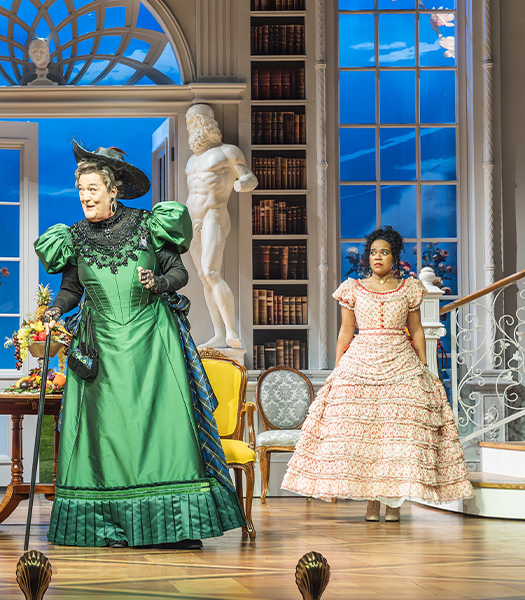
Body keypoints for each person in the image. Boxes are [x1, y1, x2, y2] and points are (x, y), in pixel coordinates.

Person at [35, 142, 246, 548]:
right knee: (107, 434)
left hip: (153, 343)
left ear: (113, 191)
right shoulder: (73, 237)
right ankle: (109, 526)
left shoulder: (150, 225)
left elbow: (179, 273)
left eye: (92, 189)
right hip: (100, 348)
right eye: (81, 190)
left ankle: (174, 527)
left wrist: (158, 282)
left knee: (162, 429)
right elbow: (71, 288)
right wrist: (55, 310)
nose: (85, 197)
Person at [281, 226, 473, 521]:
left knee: (397, 435)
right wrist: (338, 367)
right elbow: (346, 331)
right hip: (361, 360)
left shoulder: (408, 288)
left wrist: (425, 366)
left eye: (384, 252)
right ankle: (372, 501)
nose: (377, 257)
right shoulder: (353, 288)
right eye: (373, 252)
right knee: (365, 437)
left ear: (394, 257)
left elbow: (417, 330)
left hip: (401, 362)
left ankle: (394, 503)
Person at [183, 104, 258, 349]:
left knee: (211, 272)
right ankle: (218, 333)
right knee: (204, 277)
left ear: (204, 123)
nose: (189, 129)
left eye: (191, 123)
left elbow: (249, 178)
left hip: (214, 214)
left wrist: (241, 184)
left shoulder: (228, 151)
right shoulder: (192, 160)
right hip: (191, 220)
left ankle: (231, 331)